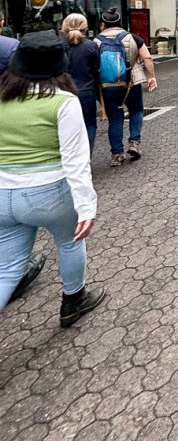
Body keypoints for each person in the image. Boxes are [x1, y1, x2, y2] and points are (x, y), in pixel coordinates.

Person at [0, 30, 106, 325]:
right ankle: (74, 300)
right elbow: (76, 161)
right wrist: (87, 206)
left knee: (7, 270)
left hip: (3, 193)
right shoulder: (63, 102)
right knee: (70, 243)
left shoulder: (2, 98)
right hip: (49, 192)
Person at [96, 8, 157, 166]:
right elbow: (147, 57)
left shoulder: (96, 42)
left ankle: (117, 154)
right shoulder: (133, 38)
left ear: (103, 25)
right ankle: (134, 142)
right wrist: (151, 76)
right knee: (136, 110)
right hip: (132, 82)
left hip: (108, 85)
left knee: (115, 119)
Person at [60, 13, 100, 153]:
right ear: (85, 28)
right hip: (86, 92)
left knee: (65, 126)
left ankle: (69, 156)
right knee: (89, 124)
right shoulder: (91, 46)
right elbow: (96, 69)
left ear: (64, 27)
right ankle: (86, 157)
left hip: (63, 93)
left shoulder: (58, 46)